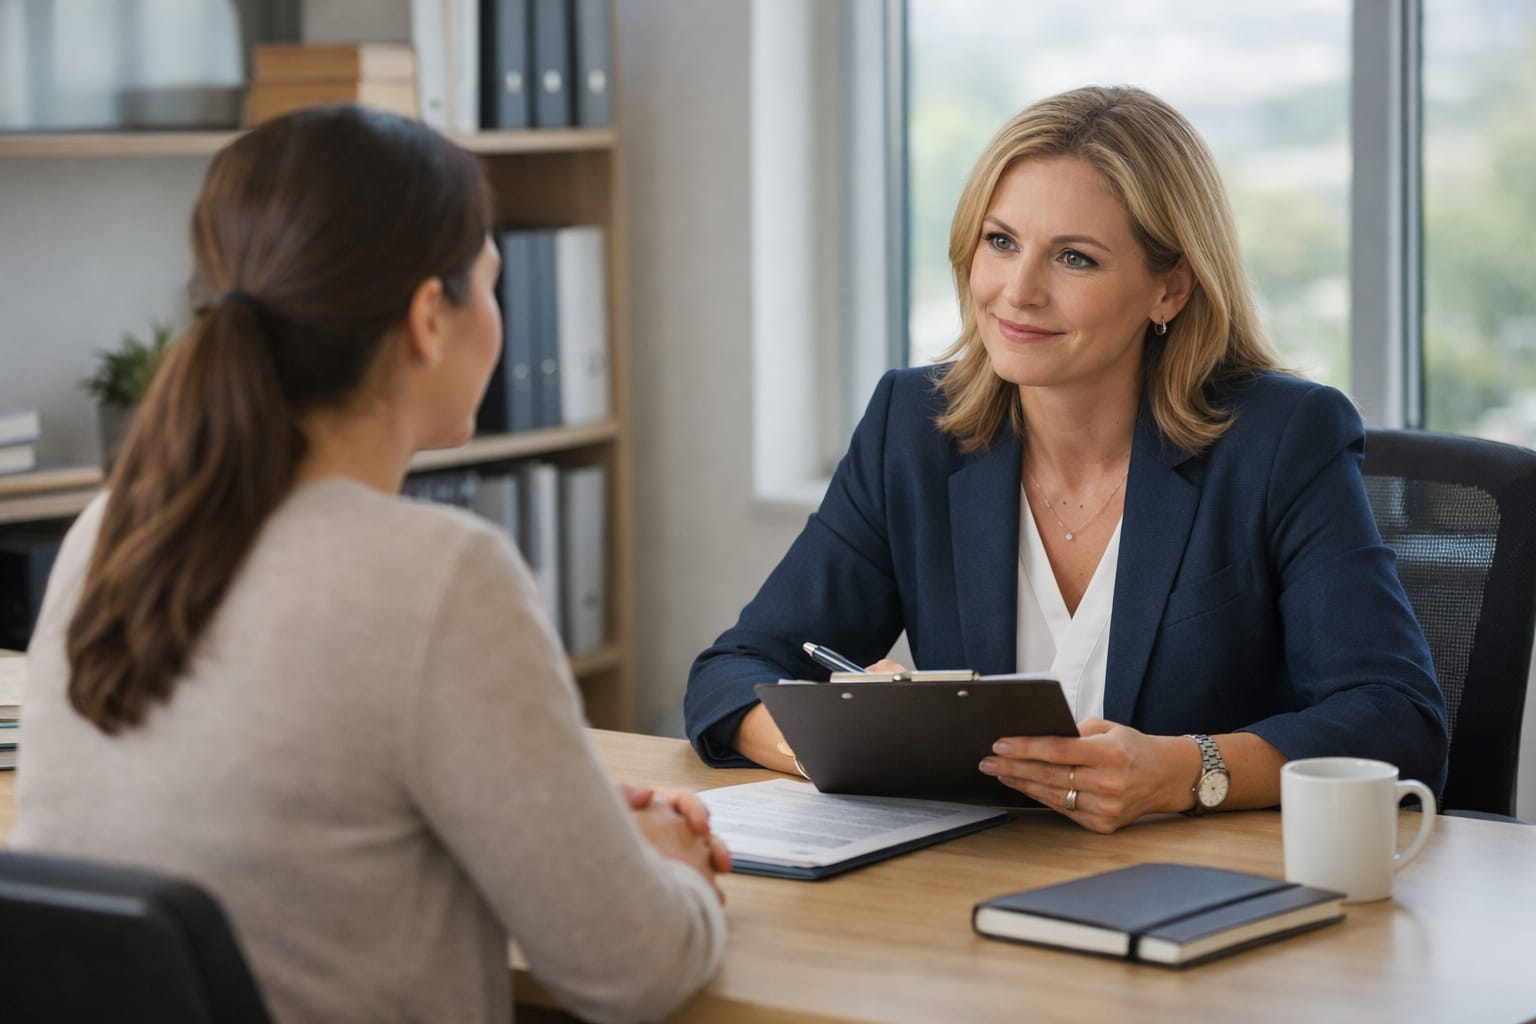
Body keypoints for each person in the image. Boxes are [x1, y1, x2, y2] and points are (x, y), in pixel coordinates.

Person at [12, 105, 727, 1024]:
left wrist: (577, 837)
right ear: (431, 316)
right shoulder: (437, 578)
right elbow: (633, 972)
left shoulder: (109, 532)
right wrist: (670, 865)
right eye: (492, 283)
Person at [684, 85, 1448, 834]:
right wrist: (841, 740)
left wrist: (1185, 773)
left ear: (1170, 289)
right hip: (972, 892)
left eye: (1074, 258)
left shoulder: (1282, 440)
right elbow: (730, 674)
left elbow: (1397, 718)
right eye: (1001, 242)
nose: (1017, 292)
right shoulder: (913, 429)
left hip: (1205, 895)